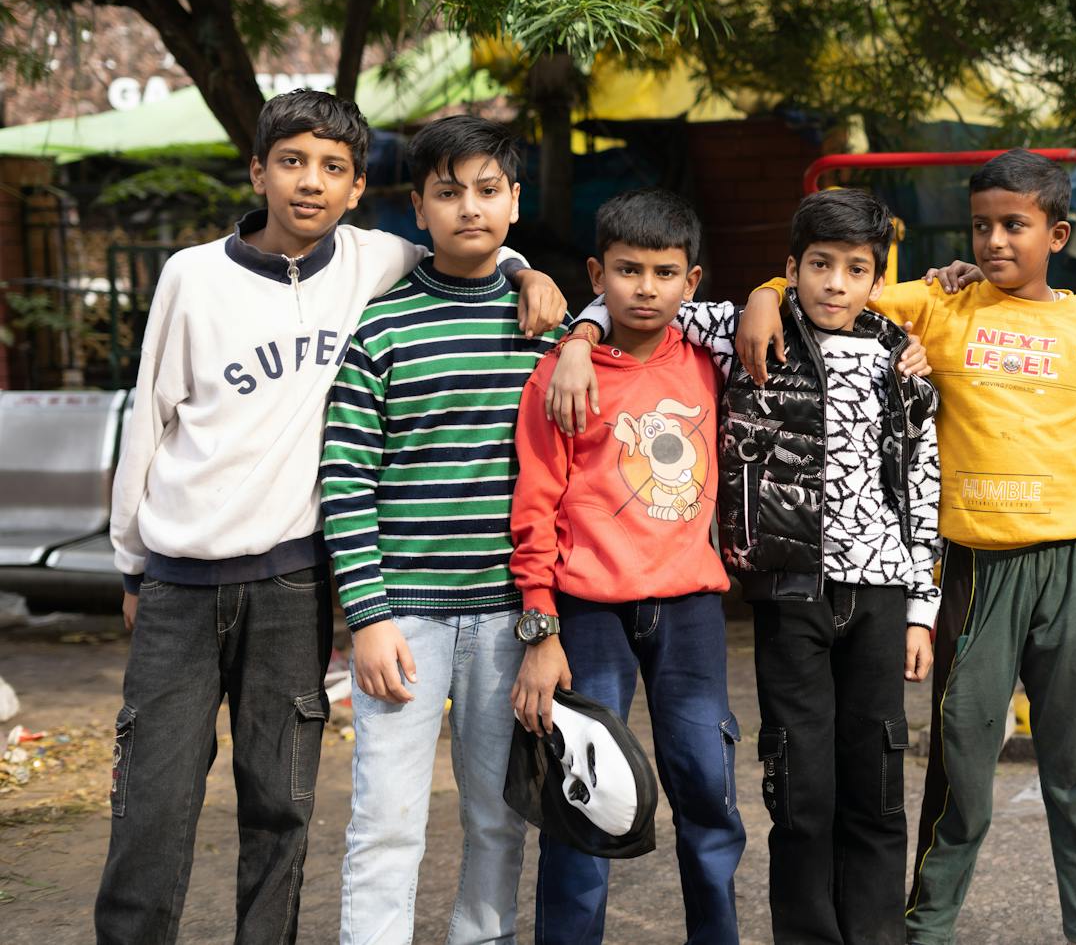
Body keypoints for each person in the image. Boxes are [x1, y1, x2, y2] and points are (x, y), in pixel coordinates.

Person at [98, 89, 564, 945]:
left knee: (282, 805)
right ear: (259, 172)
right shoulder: (193, 277)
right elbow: (146, 425)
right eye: (292, 162)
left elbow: (476, 229)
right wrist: (131, 564)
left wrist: (532, 273)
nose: (310, 183)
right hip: (181, 579)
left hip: (291, 579)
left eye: (334, 169)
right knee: (154, 804)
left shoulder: (372, 260)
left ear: (358, 191)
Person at [736, 149, 1076, 945]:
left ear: (1056, 233)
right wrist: (762, 292)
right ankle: (924, 928)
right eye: (982, 225)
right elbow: (839, 284)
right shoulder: (944, 303)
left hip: (1070, 565)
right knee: (960, 759)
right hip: (972, 567)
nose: (995, 241)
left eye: (1014, 226)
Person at [550, 188, 942, 945]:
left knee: (878, 783)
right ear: (790, 267)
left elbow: (923, 485)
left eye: (854, 269)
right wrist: (576, 339)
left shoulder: (904, 358)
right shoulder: (737, 332)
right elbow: (639, 301)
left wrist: (923, 606)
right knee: (799, 786)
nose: (834, 284)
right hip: (789, 593)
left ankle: (875, 933)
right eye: (818, 265)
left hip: (884, 595)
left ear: (877, 278)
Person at [320, 115, 563, 944]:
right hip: (403, 623)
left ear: (515, 203)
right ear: (416, 208)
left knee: (499, 820)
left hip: (508, 618)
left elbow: (568, 484)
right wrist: (368, 618)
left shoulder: (550, 333)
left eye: (488, 190)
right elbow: (346, 481)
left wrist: (544, 622)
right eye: (447, 191)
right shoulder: (381, 329)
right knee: (386, 824)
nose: (469, 207)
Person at [509, 187, 745, 945]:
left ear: (693, 280)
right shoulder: (561, 374)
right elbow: (535, 503)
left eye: (665, 272)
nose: (646, 287)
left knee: (708, 791)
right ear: (596, 273)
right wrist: (540, 625)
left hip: (689, 611)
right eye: (628, 270)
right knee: (587, 801)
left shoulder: (714, 360)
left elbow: (805, 300)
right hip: (588, 615)